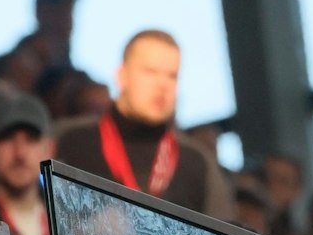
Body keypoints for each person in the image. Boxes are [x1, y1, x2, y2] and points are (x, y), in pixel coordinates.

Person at [54, 30, 233, 220]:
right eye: (150, 72)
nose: (162, 85)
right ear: (122, 75)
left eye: (172, 76)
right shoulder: (70, 139)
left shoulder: (198, 162)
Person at [0, 94, 55, 235]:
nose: (20, 153)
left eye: (31, 139)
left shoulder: (67, 217)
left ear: (50, 148)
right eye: (7, 138)